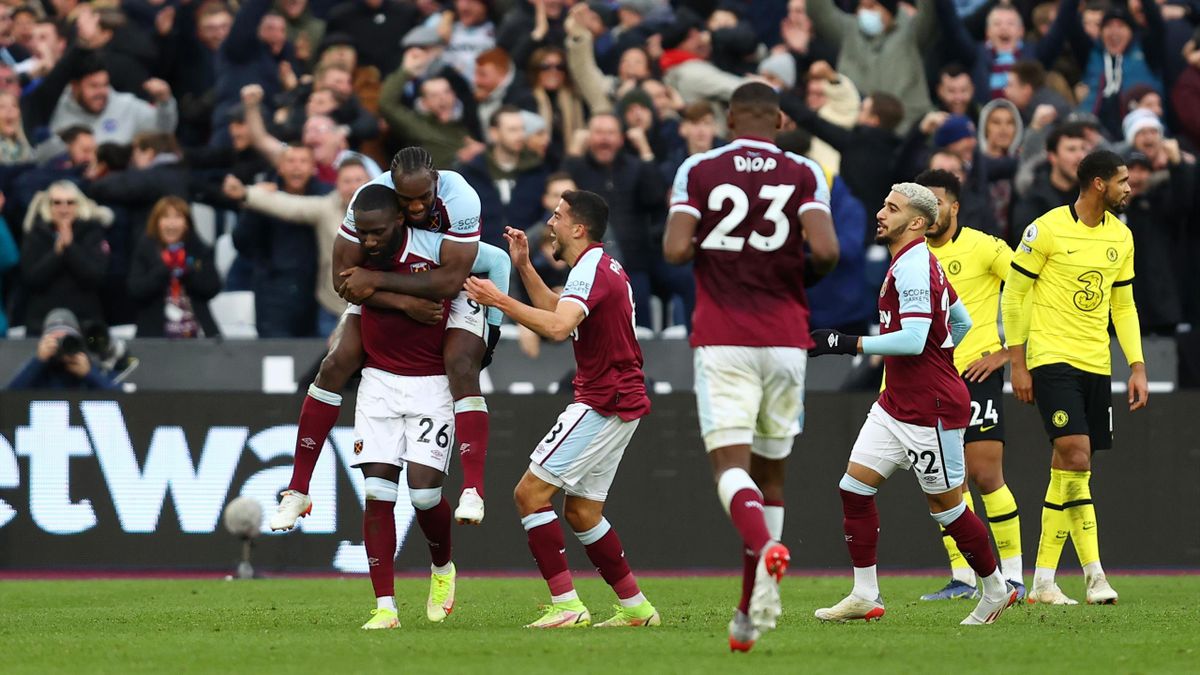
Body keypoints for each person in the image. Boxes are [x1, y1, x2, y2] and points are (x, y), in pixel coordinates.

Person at [662, 82, 840, 651]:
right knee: (772, 478)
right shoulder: (806, 172)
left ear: (730, 118)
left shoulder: (700, 168)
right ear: (782, 120)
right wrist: (792, 276)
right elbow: (829, 251)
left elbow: (673, 250)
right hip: (788, 339)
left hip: (724, 336)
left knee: (729, 468)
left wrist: (712, 251)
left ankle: (766, 551)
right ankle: (752, 610)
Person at [807, 182, 1018, 626]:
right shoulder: (917, 261)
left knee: (949, 508)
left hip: (930, 407)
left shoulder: (915, 265)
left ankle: (997, 589)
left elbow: (916, 337)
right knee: (854, 488)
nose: (880, 214)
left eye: (892, 208)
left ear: (918, 222)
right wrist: (943, 356)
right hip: (897, 401)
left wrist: (844, 342)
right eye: (883, 204)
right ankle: (865, 594)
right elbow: (960, 321)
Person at [270, 147, 510, 532]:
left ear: (436, 182)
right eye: (406, 199)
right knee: (334, 364)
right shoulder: (369, 201)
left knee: (461, 366)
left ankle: (473, 489)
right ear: (392, 195)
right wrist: (402, 301)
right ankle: (297, 490)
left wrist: (377, 281)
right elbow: (342, 281)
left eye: (423, 198)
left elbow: (452, 280)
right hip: (398, 278)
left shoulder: (461, 197)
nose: (416, 208)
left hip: (443, 277)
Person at [465, 192, 659, 629]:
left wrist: (497, 299)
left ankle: (567, 605)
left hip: (603, 399)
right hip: (617, 396)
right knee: (582, 512)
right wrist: (523, 267)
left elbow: (555, 327)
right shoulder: (595, 267)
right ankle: (635, 608)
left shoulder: (591, 268)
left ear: (578, 228)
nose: (548, 223)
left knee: (528, 494)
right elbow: (558, 309)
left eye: (556, 216)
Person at [1002, 149, 1148, 605]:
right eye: (1123, 180)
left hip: (1096, 363)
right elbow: (1015, 294)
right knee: (1077, 455)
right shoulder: (1044, 229)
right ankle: (1095, 575)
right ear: (1099, 184)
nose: (1130, 187)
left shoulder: (1121, 238)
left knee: (1069, 468)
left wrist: (1137, 364)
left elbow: (1122, 305)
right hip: (1051, 358)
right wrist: (1018, 362)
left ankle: (1043, 580)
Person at [344, 184, 458, 631]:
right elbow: (348, 286)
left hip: (431, 383)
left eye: (375, 233)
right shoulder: (356, 252)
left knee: (425, 494)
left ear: (398, 220)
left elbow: (451, 282)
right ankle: (385, 606)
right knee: (377, 493)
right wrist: (404, 300)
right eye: (362, 233)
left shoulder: (433, 249)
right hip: (378, 382)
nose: (368, 242)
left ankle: (443, 568)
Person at [915, 169, 1025, 601]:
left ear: (954, 206)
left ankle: (1013, 574)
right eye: (922, 203)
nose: (930, 211)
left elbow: (1031, 287)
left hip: (975, 374)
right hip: (926, 378)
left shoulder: (985, 246)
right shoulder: (909, 254)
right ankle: (963, 577)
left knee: (983, 473)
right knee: (944, 481)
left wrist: (1008, 353)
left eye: (937, 202)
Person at [126, 197, 221, 338]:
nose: (171, 224)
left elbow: (212, 287)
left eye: (178, 217)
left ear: (187, 223)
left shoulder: (199, 250)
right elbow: (135, 290)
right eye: (165, 217)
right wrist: (164, 269)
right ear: (156, 223)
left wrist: (187, 271)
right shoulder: (145, 250)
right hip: (154, 336)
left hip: (198, 334)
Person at [8, 308, 117, 390]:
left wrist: (89, 374)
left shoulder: (88, 366)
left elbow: (123, 401)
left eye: (67, 339)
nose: (61, 345)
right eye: (55, 339)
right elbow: (7, 401)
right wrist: (38, 361)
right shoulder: (36, 370)